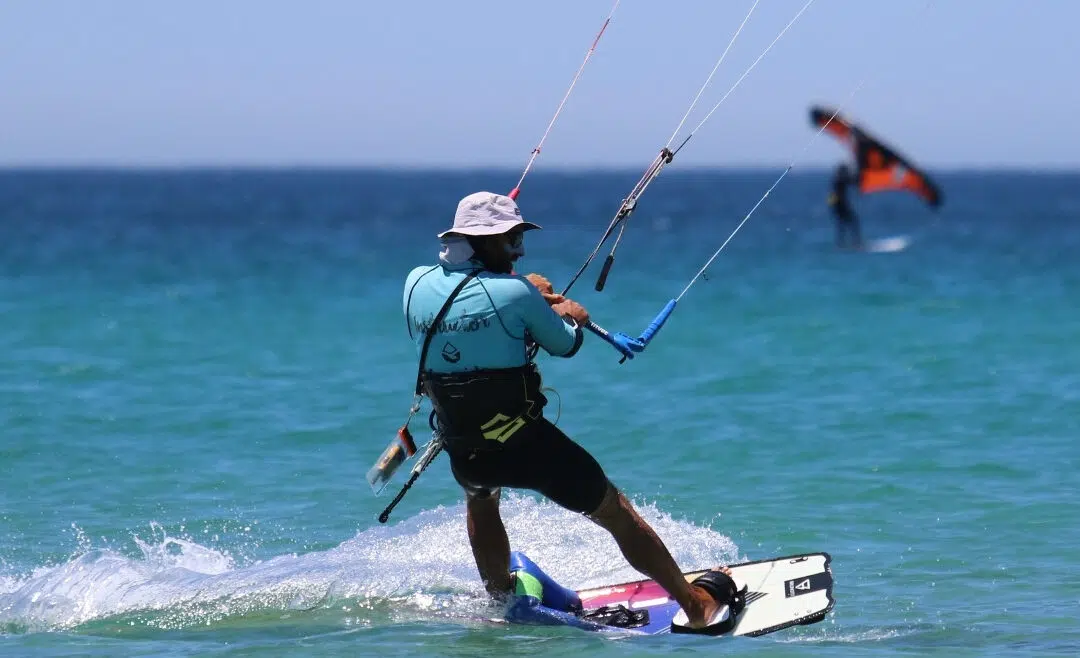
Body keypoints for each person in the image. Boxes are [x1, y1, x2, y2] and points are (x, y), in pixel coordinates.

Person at [402, 191, 738, 632]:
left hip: (463, 441)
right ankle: (695, 606)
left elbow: (474, 316)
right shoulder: (515, 293)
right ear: (482, 241)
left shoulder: (414, 282)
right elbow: (565, 343)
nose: (519, 250)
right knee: (613, 508)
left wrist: (523, 293)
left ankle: (502, 599)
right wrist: (566, 312)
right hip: (524, 443)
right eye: (510, 241)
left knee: (481, 499)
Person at [828, 163, 862, 249]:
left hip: (838, 206)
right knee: (852, 222)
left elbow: (852, 181)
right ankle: (855, 243)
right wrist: (858, 172)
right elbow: (853, 181)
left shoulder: (838, 179)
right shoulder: (839, 180)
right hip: (840, 205)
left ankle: (842, 243)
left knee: (843, 224)